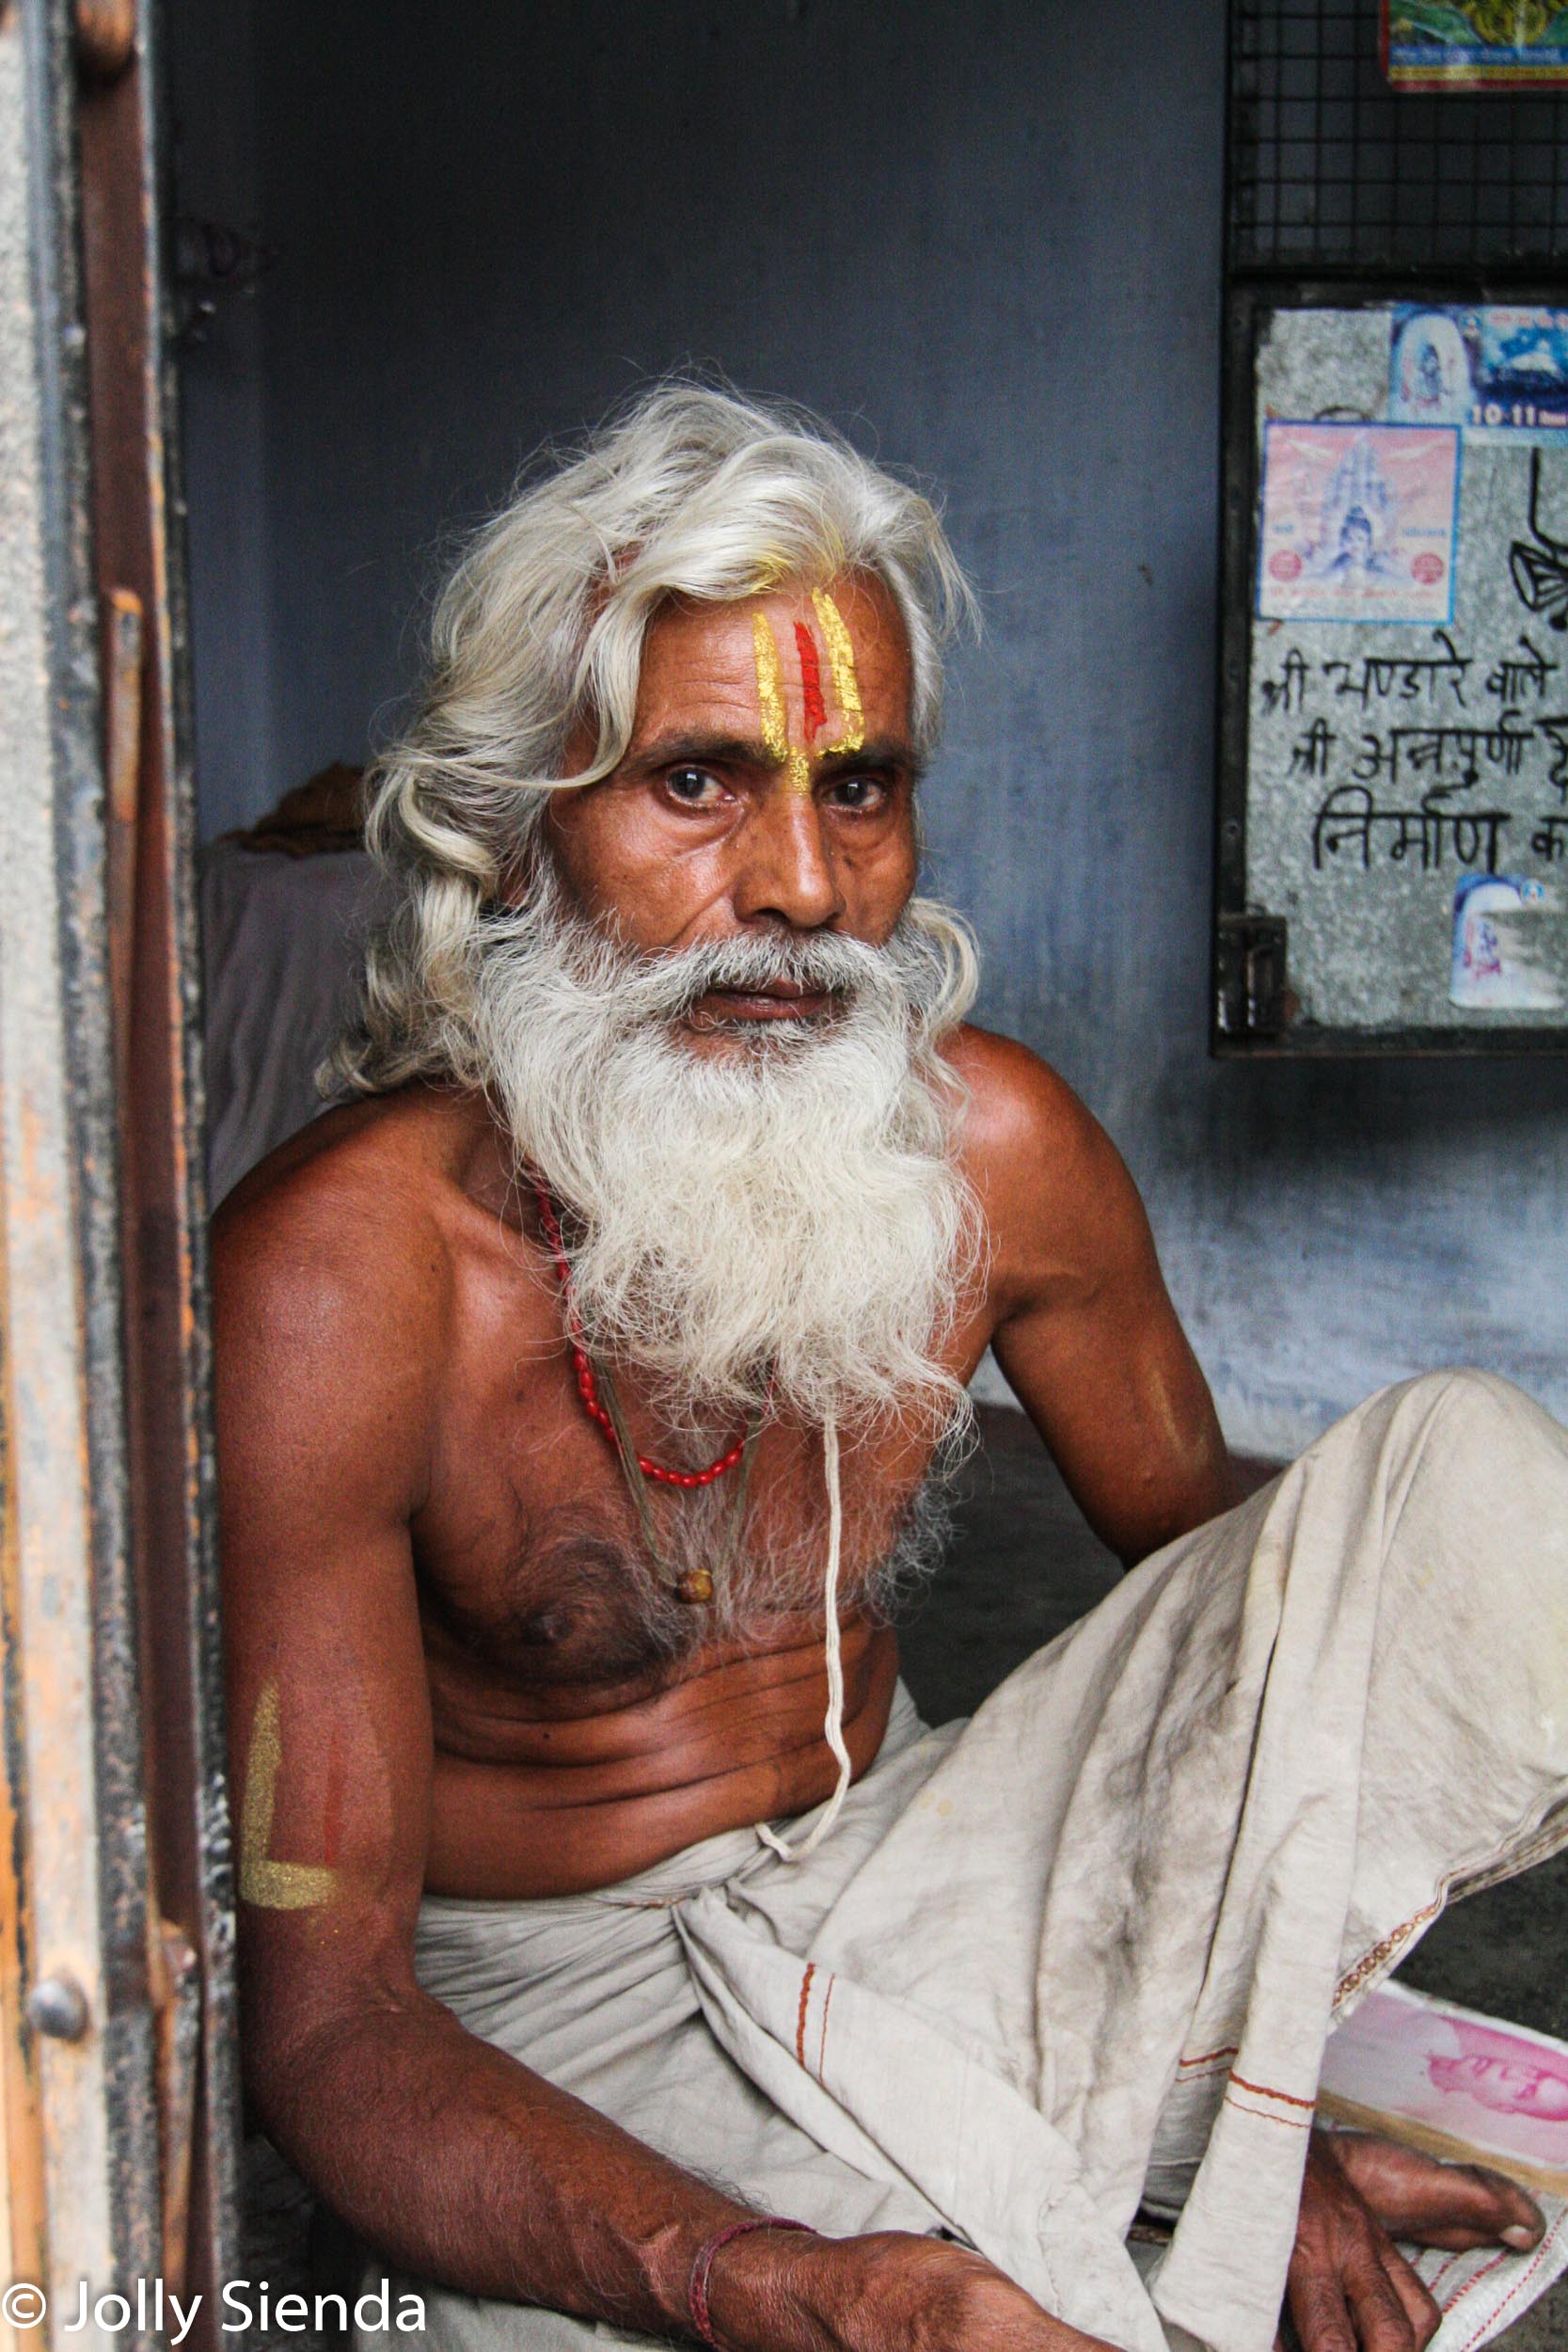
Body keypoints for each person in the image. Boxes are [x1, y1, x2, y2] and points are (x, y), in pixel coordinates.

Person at [214, 386, 1568, 2352]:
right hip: (558, 2008)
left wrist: (1247, 2101)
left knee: (1471, 1480)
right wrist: (788, 2279)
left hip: (928, 1868)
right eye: (696, 782)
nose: (798, 886)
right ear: (521, 831)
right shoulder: (340, 1275)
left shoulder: (997, 1151)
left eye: (857, 786)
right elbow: (329, 2024)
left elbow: (1268, 1653)